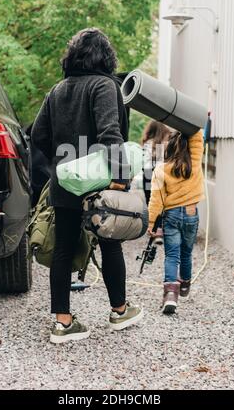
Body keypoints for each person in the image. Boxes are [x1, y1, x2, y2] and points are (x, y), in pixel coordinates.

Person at [31, 28, 143, 343]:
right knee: (110, 242)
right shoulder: (105, 86)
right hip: (99, 184)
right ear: (106, 57)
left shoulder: (58, 89)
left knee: (64, 246)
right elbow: (111, 134)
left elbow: (38, 135)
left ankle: (63, 323)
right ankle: (120, 311)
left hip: (65, 182)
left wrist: (63, 163)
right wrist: (120, 178)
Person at [148, 129, 204, 314]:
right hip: (191, 213)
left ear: (168, 148)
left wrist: (151, 223)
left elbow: (156, 200)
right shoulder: (194, 162)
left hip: (170, 215)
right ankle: (185, 283)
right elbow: (196, 136)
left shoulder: (160, 169)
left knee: (172, 255)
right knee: (186, 253)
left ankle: (171, 295)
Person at [141, 120, 171, 204]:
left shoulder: (146, 143)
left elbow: (143, 162)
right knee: (157, 201)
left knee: (149, 201)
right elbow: (161, 165)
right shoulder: (161, 145)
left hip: (146, 176)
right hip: (156, 175)